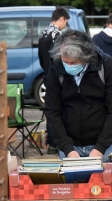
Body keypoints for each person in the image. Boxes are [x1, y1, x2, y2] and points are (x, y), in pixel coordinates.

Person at [45, 29, 112, 162]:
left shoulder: (105, 65)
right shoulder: (56, 68)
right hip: (70, 149)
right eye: (66, 62)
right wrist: (67, 148)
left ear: (85, 57)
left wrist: (100, 147)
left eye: (73, 63)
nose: (68, 66)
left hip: (102, 148)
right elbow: (52, 112)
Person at [38, 8, 70, 154]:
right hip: (57, 76)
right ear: (61, 19)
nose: (66, 25)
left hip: (46, 75)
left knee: (51, 110)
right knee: (61, 110)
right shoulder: (57, 35)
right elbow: (60, 57)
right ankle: (59, 142)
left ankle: (51, 143)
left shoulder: (44, 33)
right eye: (66, 22)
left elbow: (40, 57)